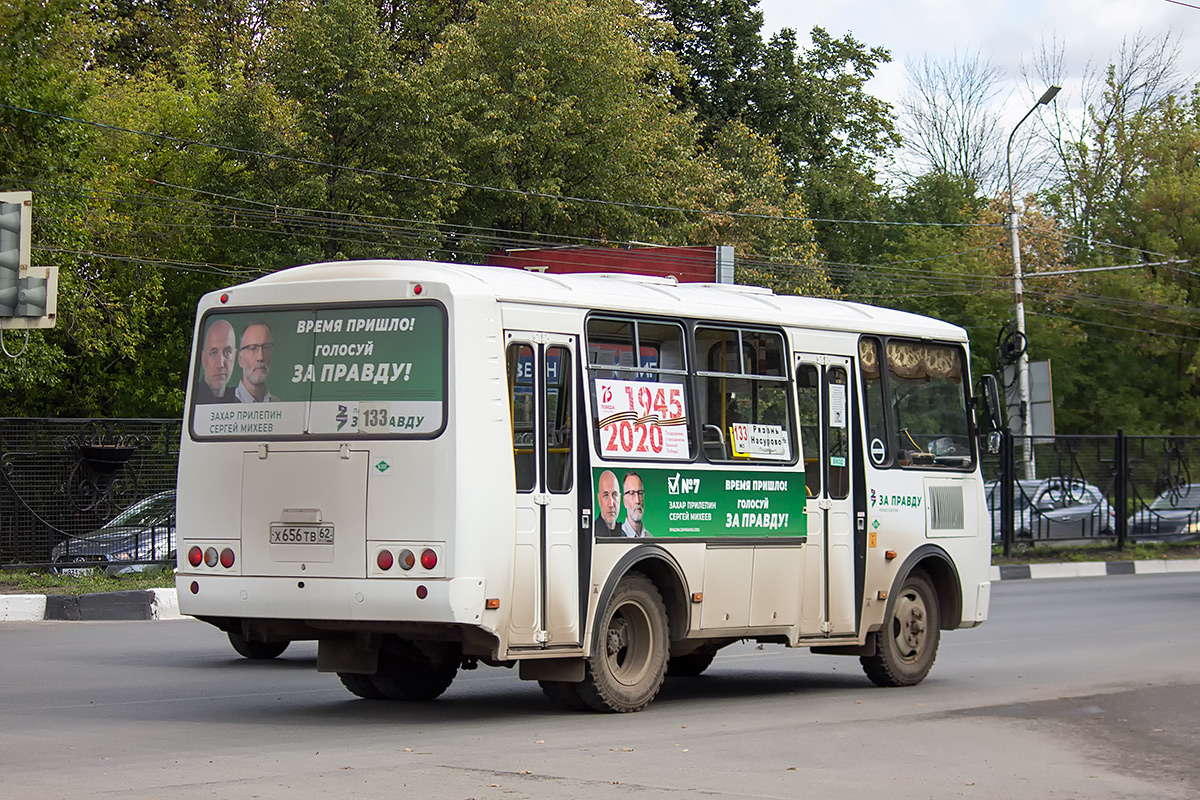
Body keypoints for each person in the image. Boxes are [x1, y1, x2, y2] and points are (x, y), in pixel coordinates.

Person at [235, 321, 277, 403]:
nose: (260, 357)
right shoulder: (226, 405)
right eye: (253, 348)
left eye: (266, 347)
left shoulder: (278, 405)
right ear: (240, 359)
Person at [195, 319, 236, 403]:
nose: (220, 364)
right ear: (203, 358)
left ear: (235, 356)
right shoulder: (193, 399)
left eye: (227, 352)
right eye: (213, 353)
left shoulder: (239, 402)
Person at [620, 471, 651, 538]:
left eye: (640, 493)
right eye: (632, 493)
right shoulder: (618, 537)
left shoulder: (649, 537)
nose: (637, 501)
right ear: (625, 501)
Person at [594, 470, 620, 536]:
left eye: (614, 495)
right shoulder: (591, 533)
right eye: (605, 495)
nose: (611, 504)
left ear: (620, 498)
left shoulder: (625, 534)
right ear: (599, 500)